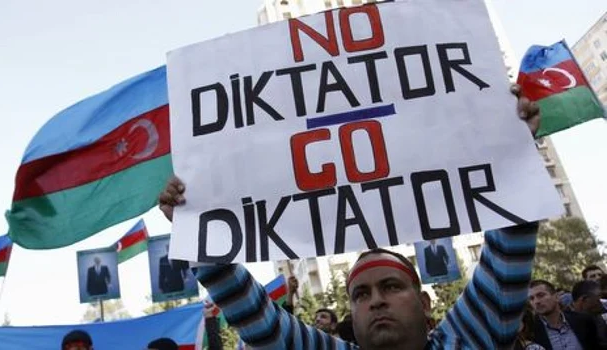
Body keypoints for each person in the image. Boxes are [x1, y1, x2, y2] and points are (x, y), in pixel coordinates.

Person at [158, 85, 543, 349]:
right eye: (361, 294)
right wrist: (195, 228)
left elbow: (507, 255)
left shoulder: (469, 339)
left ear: (425, 303)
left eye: (391, 287)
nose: (376, 301)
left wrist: (512, 145)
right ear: (351, 314)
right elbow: (257, 315)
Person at [528, 279, 603, 349]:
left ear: (556, 297)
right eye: (531, 298)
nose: (536, 301)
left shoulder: (583, 321)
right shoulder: (530, 332)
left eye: (541, 295)